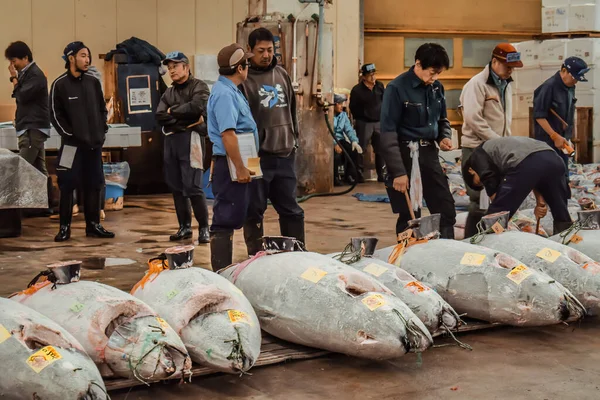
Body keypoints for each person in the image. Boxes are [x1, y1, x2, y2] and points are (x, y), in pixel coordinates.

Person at [239, 27, 305, 256]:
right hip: (257, 158)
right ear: (249, 50)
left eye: (270, 50)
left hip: (285, 154)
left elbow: (293, 111)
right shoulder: (244, 80)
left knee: (292, 210)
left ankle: (297, 254)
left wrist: (294, 138)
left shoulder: (282, 74)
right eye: (261, 51)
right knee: (254, 210)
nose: (266, 55)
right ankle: (255, 256)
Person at [379, 43, 456, 239]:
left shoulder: (437, 88)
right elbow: (388, 132)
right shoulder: (396, 88)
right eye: (432, 72)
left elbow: (442, 120)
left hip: (429, 154)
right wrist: (398, 172)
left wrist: (444, 136)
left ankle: (447, 254)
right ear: (418, 64)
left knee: (445, 209)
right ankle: (407, 260)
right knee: (410, 215)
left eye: (438, 73)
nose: (435, 78)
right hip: (405, 155)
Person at [50, 41, 114, 242]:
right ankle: (64, 228)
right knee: (67, 185)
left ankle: (93, 225)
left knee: (94, 184)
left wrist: (101, 130)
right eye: (83, 56)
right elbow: (54, 115)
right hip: (70, 146)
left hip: (93, 145)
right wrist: (69, 134)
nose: (87, 60)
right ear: (71, 58)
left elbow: (102, 109)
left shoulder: (92, 82)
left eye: (88, 56)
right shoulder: (59, 84)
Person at [459, 43, 523, 237]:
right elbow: (473, 118)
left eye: (513, 66)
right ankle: (471, 241)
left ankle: (488, 239)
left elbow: (504, 118)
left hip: (497, 150)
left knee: (497, 197)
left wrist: (505, 143)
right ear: (494, 62)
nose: (510, 70)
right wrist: (497, 141)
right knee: (478, 198)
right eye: (507, 66)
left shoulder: (506, 84)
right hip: (477, 149)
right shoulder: (476, 84)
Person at [207, 43, 258, 271]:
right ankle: (222, 273)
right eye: (246, 63)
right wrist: (239, 168)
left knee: (249, 209)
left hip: (246, 158)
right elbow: (228, 135)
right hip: (231, 163)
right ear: (239, 68)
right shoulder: (224, 95)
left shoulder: (232, 90)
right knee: (225, 218)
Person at [462, 136, 572, 234]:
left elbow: (490, 181)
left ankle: (482, 245)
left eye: (479, 181)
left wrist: (500, 208)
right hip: (554, 158)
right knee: (561, 211)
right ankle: (566, 238)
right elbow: (536, 171)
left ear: (471, 170)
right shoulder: (503, 151)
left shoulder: (476, 156)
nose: (483, 183)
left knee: (497, 214)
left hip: (528, 162)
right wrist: (540, 202)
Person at [156, 51, 210, 244]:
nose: (171, 71)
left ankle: (204, 228)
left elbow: (197, 108)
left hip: (192, 140)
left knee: (193, 186)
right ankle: (185, 227)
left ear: (186, 67)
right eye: (169, 68)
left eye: (175, 66)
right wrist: (181, 120)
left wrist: (174, 112)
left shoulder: (199, 86)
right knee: (176, 186)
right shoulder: (168, 92)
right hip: (172, 141)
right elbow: (160, 115)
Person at [5, 41, 52, 215]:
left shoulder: (35, 75)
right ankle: (45, 206)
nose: (13, 65)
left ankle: (13, 210)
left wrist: (13, 78)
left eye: (14, 60)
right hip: (30, 126)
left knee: (21, 168)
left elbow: (22, 96)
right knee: (39, 168)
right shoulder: (27, 73)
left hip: (33, 128)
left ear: (25, 58)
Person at [533, 56, 588, 190]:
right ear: (564, 70)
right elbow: (539, 116)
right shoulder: (548, 87)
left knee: (563, 178)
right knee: (550, 180)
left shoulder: (570, 87)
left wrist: (568, 137)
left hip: (562, 141)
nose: (575, 81)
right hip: (548, 142)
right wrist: (554, 135)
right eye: (574, 77)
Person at [349, 63, 385, 182]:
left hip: (379, 122)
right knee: (361, 149)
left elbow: (385, 102)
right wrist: (360, 118)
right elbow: (353, 107)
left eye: (374, 74)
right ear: (364, 77)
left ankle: (382, 174)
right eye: (370, 75)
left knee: (380, 149)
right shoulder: (357, 90)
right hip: (364, 123)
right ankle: (358, 174)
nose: (373, 77)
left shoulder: (379, 86)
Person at [333, 93, 362, 186]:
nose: (342, 106)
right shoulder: (328, 115)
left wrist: (354, 141)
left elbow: (348, 129)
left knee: (353, 151)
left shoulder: (343, 115)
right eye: (340, 104)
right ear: (333, 104)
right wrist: (334, 144)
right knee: (336, 155)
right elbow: (326, 131)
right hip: (330, 141)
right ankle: (335, 177)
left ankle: (349, 175)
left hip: (340, 140)